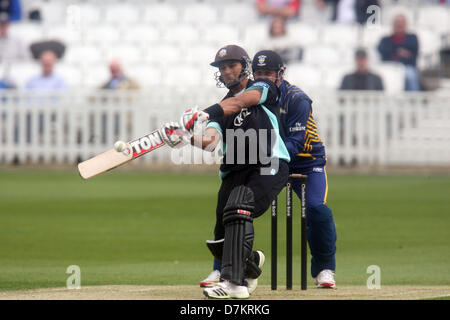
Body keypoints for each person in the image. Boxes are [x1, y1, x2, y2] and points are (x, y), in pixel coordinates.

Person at [160, 46, 291, 299]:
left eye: (232, 65)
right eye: (222, 67)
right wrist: (185, 137)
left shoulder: (264, 88)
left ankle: (234, 284)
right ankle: (251, 262)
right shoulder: (221, 108)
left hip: (268, 164)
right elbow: (210, 142)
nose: (227, 71)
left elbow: (242, 101)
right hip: (234, 171)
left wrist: (205, 112)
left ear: (245, 66)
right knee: (222, 235)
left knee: (239, 207)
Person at [256, 50, 338, 288]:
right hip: (271, 160)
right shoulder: (252, 97)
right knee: (239, 205)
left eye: (268, 74)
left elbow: (295, 143)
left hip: (306, 160)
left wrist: (262, 157)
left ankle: (324, 269)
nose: (263, 79)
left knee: (316, 210)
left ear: (280, 74)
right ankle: (223, 270)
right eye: (258, 73)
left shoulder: (296, 99)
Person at [377, 14, 420, 91]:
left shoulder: (412, 38)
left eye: (401, 23)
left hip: (407, 67)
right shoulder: (385, 39)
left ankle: (413, 101)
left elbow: (413, 57)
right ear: (393, 25)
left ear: (405, 24)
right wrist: (401, 53)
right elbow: (383, 54)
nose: (399, 25)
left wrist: (395, 53)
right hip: (389, 67)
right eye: (397, 23)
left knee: (410, 75)